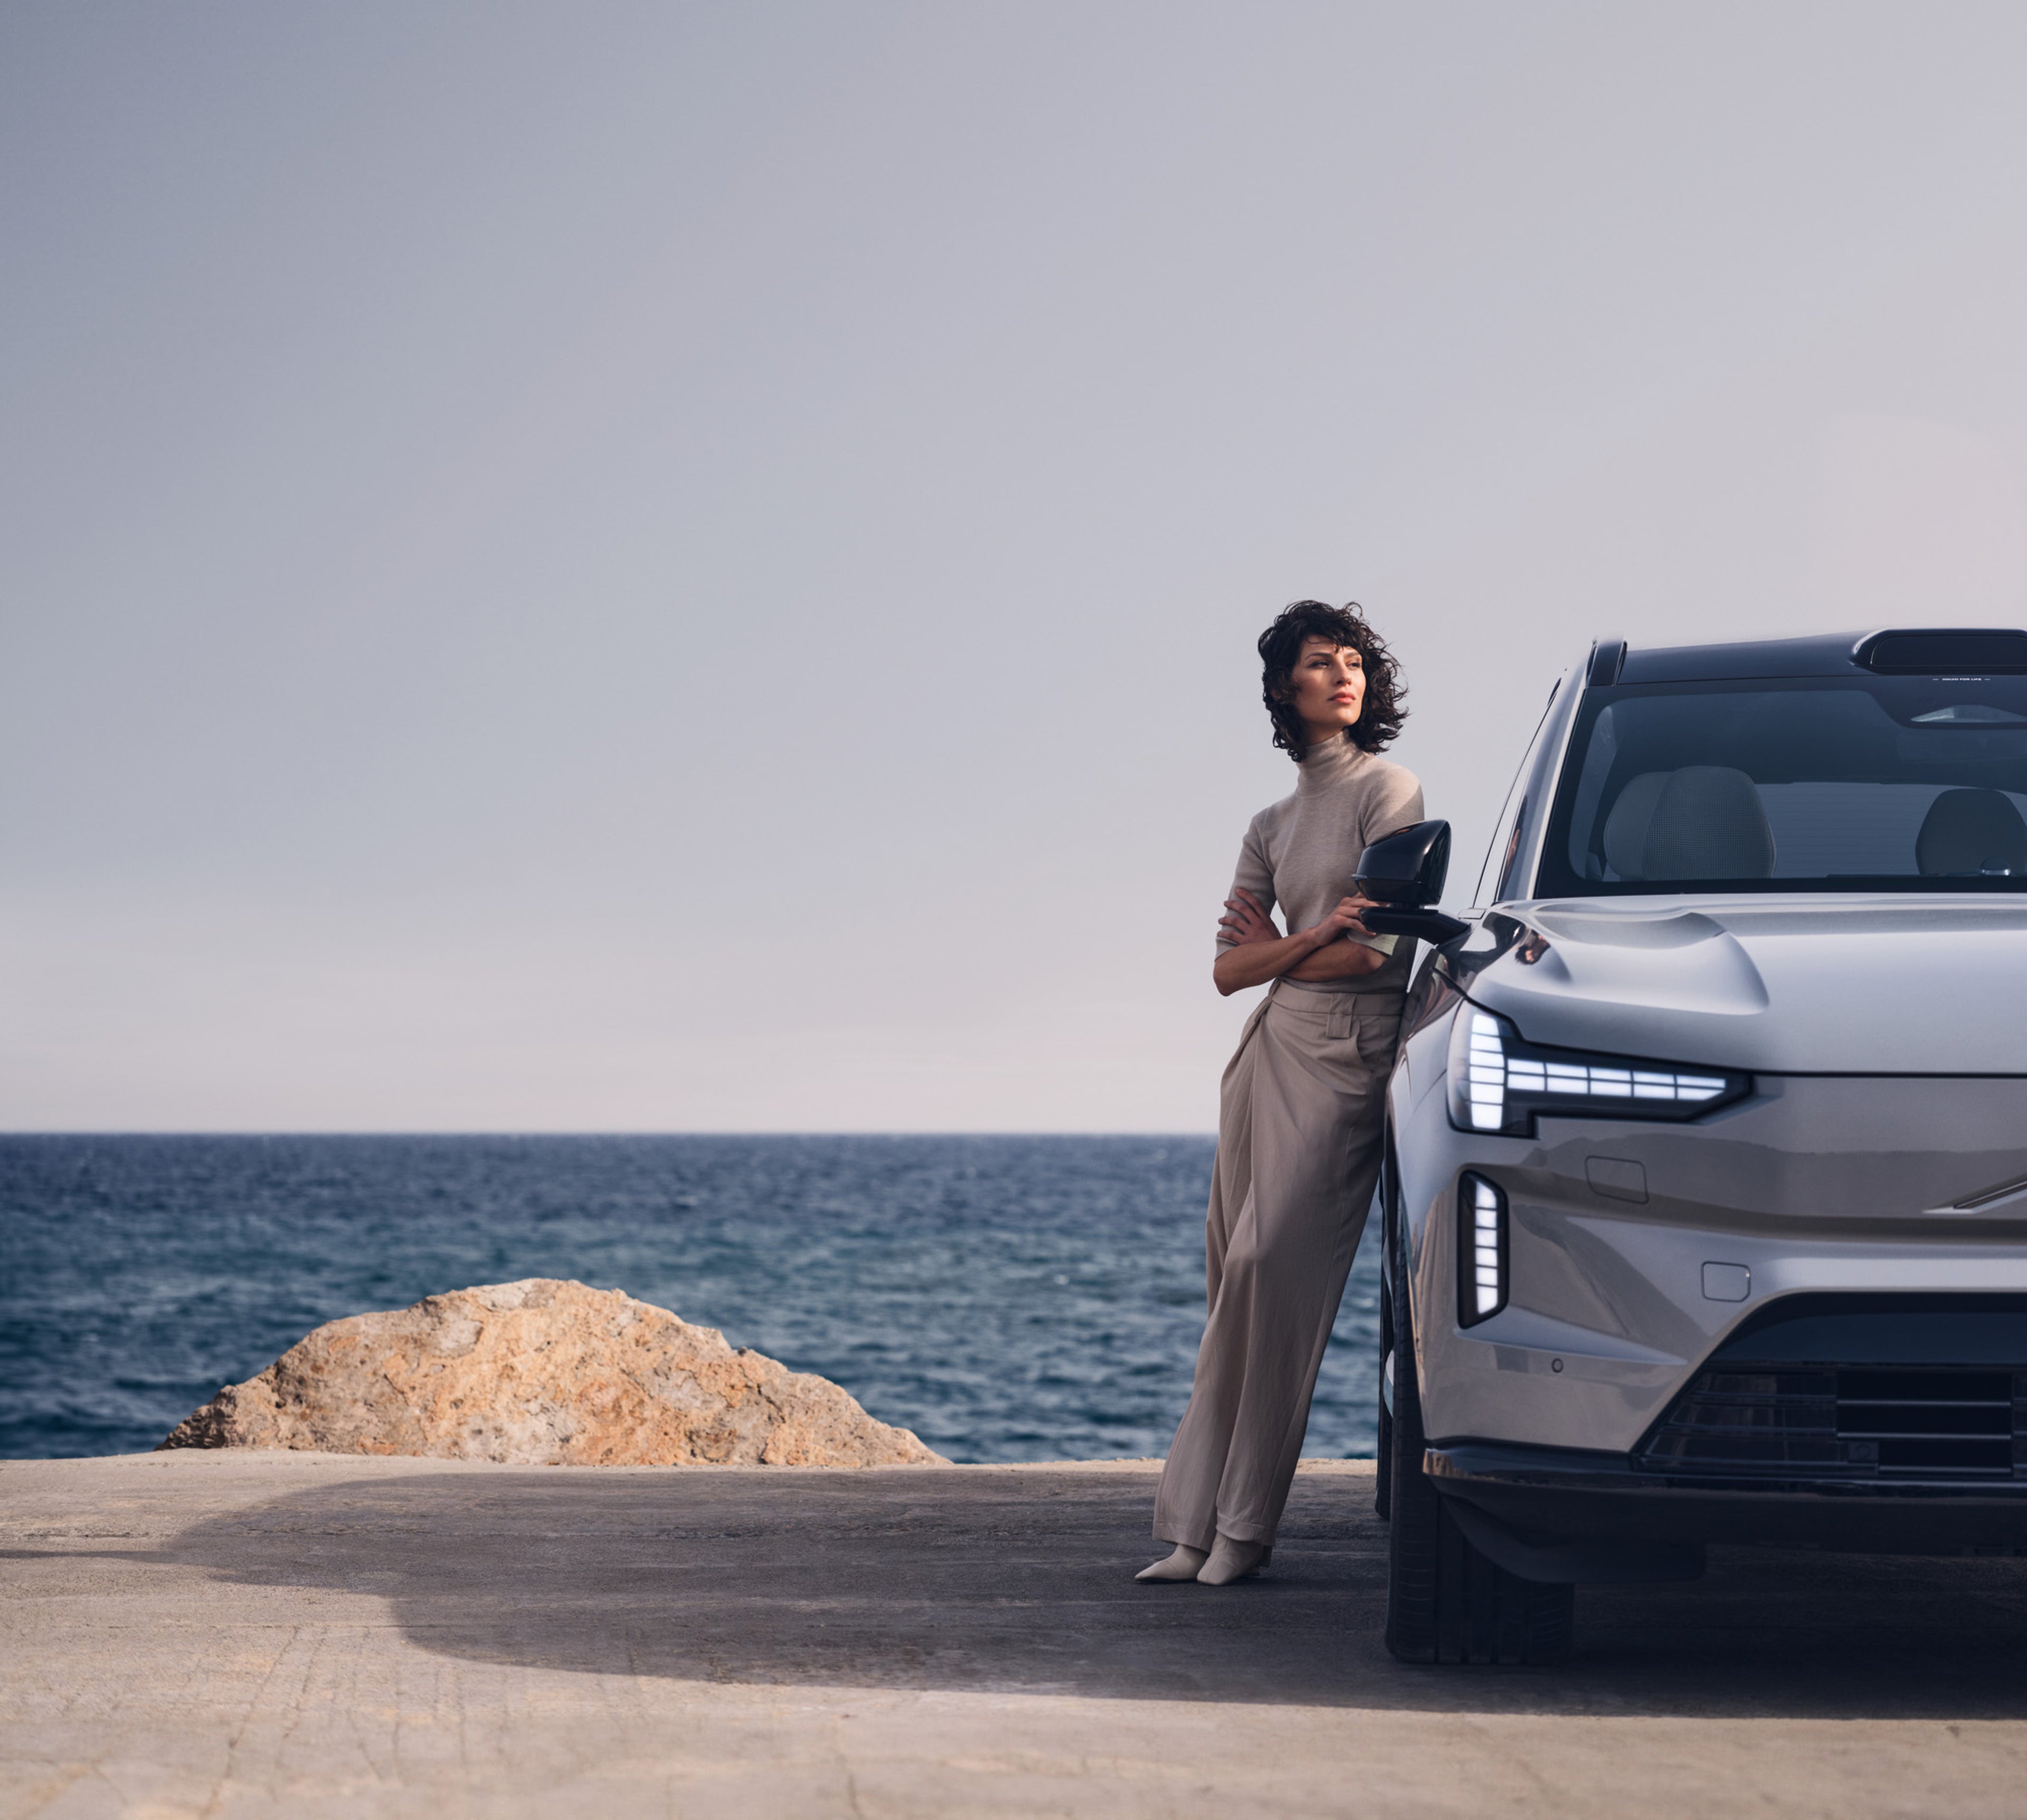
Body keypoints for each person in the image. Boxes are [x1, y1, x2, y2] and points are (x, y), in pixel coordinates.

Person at [1139, 599, 1423, 1586]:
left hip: (1348, 1056)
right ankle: (1193, 1527)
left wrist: (1282, 951)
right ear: (1282, 689)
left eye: (1353, 661)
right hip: (1267, 1054)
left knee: (1273, 1276)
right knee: (1232, 1287)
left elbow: (1376, 952)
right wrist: (1302, 941)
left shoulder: (1392, 791)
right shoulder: (1269, 821)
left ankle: (1246, 1526)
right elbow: (1229, 971)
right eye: (1320, 662)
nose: (1344, 675)